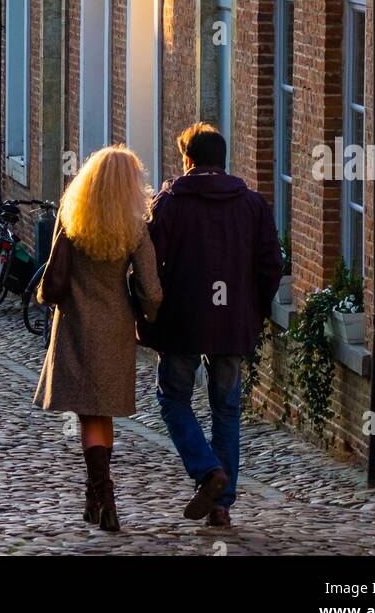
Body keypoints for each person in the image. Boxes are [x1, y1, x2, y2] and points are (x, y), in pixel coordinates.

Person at [139, 122, 283, 528]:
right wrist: (252, 309)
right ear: (223, 160)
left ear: (188, 160)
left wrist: (148, 310)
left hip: (183, 320)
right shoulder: (252, 205)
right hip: (232, 322)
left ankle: (207, 472)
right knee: (226, 409)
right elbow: (272, 264)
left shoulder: (169, 203)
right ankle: (222, 502)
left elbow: (150, 265)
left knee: (173, 399)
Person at [34, 145, 162, 532]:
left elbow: (54, 268)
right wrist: (148, 319)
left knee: (90, 412)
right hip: (115, 327)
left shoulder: (72, 216)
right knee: (101, 411)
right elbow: (151, 290)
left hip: (75, 322)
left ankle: (101, 496)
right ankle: (99, 497)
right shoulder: (134, 227)